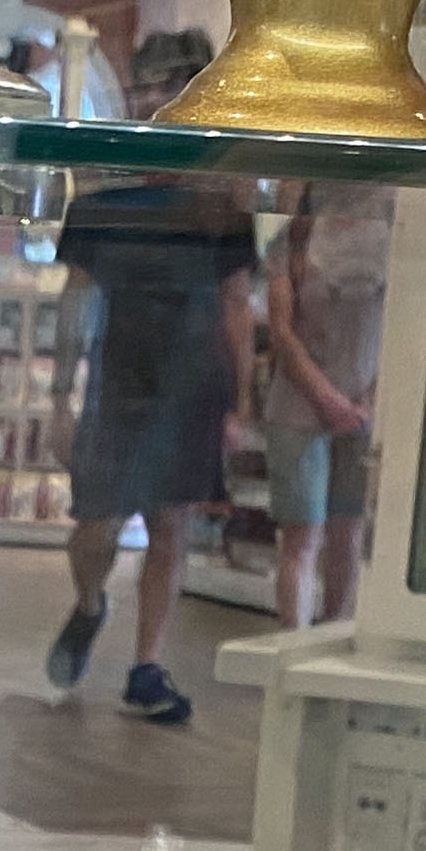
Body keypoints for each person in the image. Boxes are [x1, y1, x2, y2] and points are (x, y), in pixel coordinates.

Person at [44, 95, 255, 724]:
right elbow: (75, 299)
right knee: (97, 527)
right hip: (117, 388)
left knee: (171, 526)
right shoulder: (101, 207)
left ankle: (146, 667)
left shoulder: (220, 211)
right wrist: (60, 396)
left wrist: (240, 403)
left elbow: (237, 305)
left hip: (192, 388)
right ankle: (90, 605)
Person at [262, 180, 394, 628]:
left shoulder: (395, 233)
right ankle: (293, 644)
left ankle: (333, 632)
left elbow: (404, 322)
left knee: (348, 530)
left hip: (363, 404)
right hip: (300, 404)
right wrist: (327, 397)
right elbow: (282, 330)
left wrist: (369, 399)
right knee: (302, 536)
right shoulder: (292, 238)